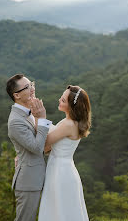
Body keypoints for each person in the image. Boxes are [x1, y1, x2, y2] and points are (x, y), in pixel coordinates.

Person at [38, 85, 91, 221]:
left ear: (72, 107)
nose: (59, 100)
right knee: (59, 209)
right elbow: (49, 146)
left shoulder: (69, 124)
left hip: (61, 171)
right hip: (61, 168)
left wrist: (40, 117)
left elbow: (44, 142)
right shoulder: (69, 122)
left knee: (60, 210)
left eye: (63, 100)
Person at [6, 74, 52, 221]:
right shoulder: (15, 121)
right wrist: (42, 118)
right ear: (17, 95)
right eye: (27, 87)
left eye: (31, 84)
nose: (32, 88)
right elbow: (37, 148)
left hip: (40, 177)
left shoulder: (30, 112)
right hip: (28, 182)